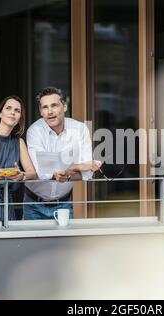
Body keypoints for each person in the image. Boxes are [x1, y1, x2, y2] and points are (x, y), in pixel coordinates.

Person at [24, 87, 101, 220]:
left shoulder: (80, 130)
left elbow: (87, 173)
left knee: (66, 241)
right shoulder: (34, 131)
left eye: (54, 105)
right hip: (34, 205)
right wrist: (75, 167)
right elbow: (41, 171)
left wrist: (71, 170)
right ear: (40, 112)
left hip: (64, 205)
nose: (50, 111)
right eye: (45, 107)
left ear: (64, 107)